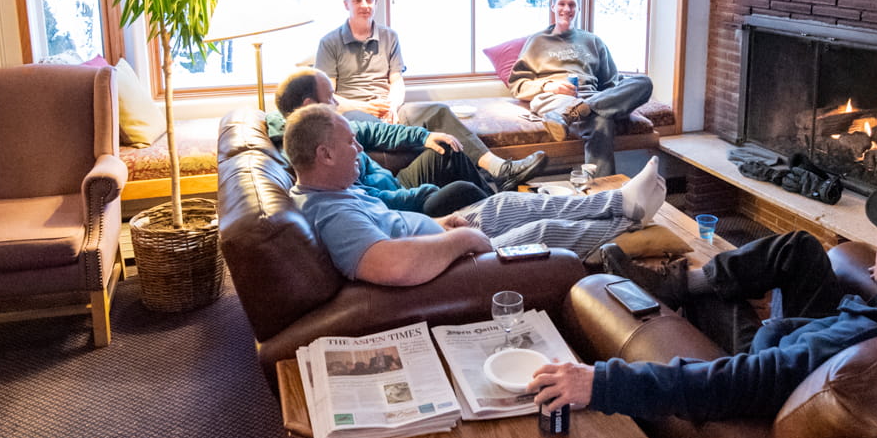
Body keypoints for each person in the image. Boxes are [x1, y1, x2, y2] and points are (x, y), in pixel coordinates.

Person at [528, 191, 877, 423]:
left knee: (714, 302)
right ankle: (681, 283)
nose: (874, 247)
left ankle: (674, 292)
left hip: (775, 353)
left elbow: (728, 385)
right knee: (798, 248)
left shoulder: (844, 354)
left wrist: (599, 382)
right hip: (836, 322)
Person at [285, 104, 669, 283]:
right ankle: (625, 222)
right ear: (325, 154)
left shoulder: (333, 189)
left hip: (439, 237)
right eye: (351, 143)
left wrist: (439, 222)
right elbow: (390, 265)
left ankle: (618, 202)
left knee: (506, 201)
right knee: (539, 233)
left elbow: (389, 227)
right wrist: (460, 239)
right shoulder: (331, 213)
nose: (358, 150)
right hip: (447, 266)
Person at [316, 0, 546, 190]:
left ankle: (498, 168)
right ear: (346, 4)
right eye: (358, 0)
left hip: (390, 108)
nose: (364, 5)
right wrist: (366, 108)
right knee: (363, 119)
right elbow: (329, 96)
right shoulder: (329, 42)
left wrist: (393, 107)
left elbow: (396, 80)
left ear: (376, 3)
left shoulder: (389, 37)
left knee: (439, 111)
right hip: (354, 113)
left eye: (369, 0)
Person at [272, 69, 500, 216]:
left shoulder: (326, 127)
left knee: (447, 147)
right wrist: (425, 193)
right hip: (397, 207)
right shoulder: (313, 153)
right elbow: (367, 200)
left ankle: (499, 199)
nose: (336, 103)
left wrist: (423, 136)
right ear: (309, 105)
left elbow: (373, 130)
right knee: (463, 190)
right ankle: (500, 215)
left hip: (395, 184)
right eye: (330, 97)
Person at [506, 0, 653, 177]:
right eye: (562, 4)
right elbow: (517, 85)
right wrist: (549, 85)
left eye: (572, 5)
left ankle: (574, 114)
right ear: (552, 7)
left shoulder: (593, 41)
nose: (566, 9)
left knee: (644, 82)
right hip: (556, 99)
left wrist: (609, 98)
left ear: (579, 9)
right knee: (601, 119)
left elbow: (611, 84)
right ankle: (603, 196)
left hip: (590, 97)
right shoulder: (537, 41)